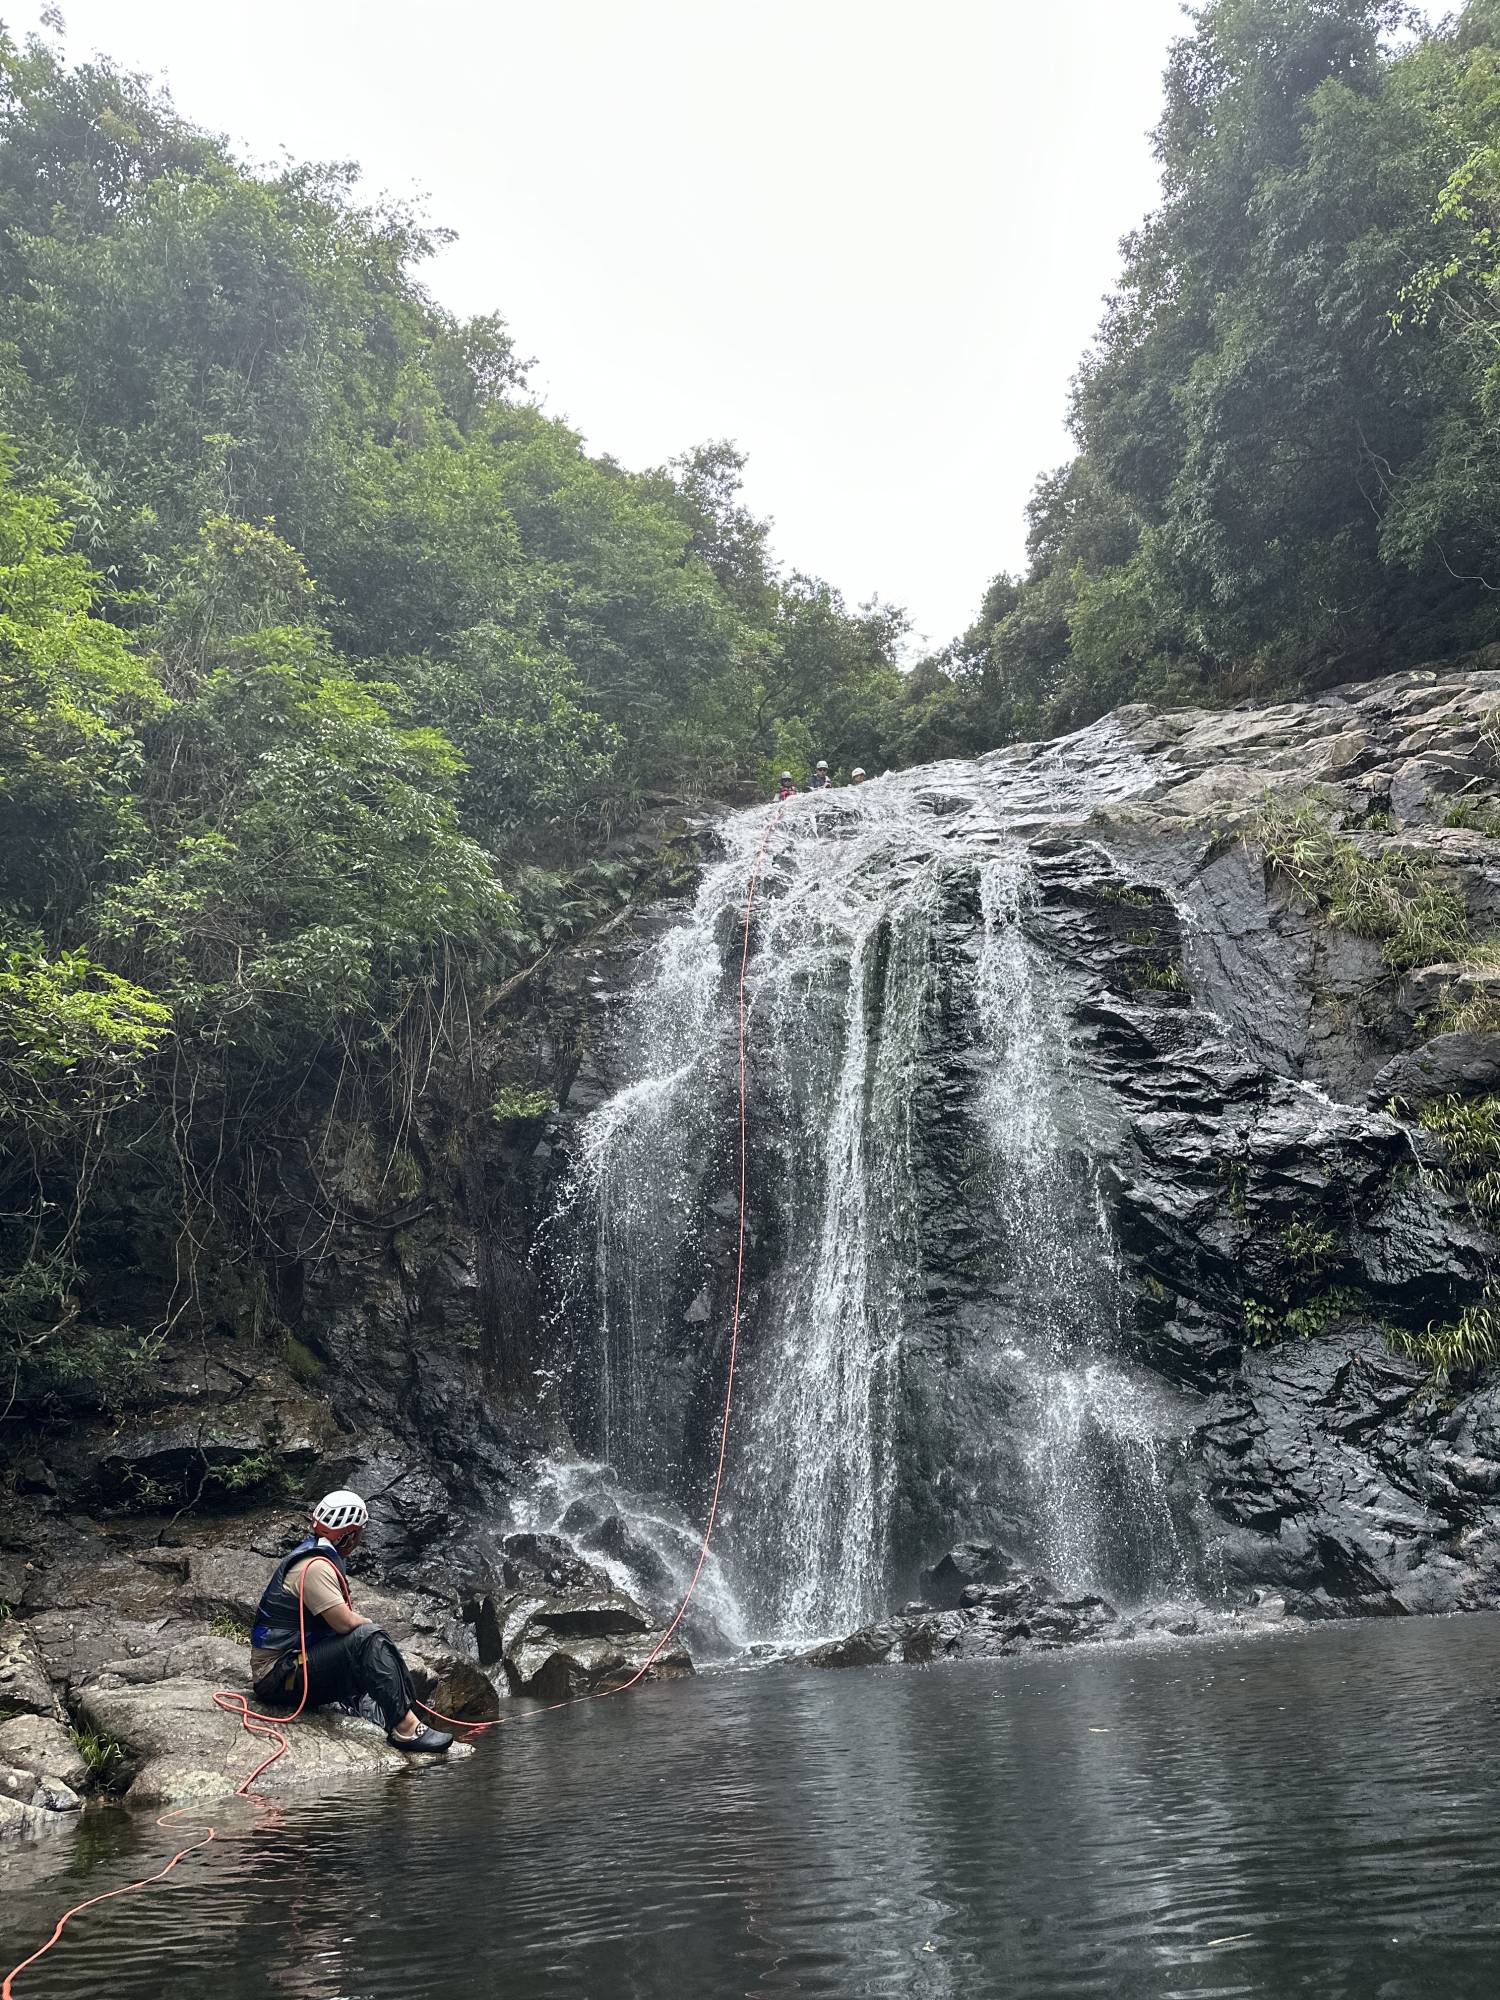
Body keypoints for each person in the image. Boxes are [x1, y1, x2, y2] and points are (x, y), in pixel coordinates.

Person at [249, 1489, 452, 1753]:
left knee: (370, 1656)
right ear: (350, 1534)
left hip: (296, 1665)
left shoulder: (319, 1556)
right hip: (279, 1676)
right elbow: (344, 1624)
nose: (359, 1540)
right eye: (358, 1533)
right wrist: (368, 1625)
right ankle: (407, 1730)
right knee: (368, 1638)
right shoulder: (315, 1567)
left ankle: (395, 1723)